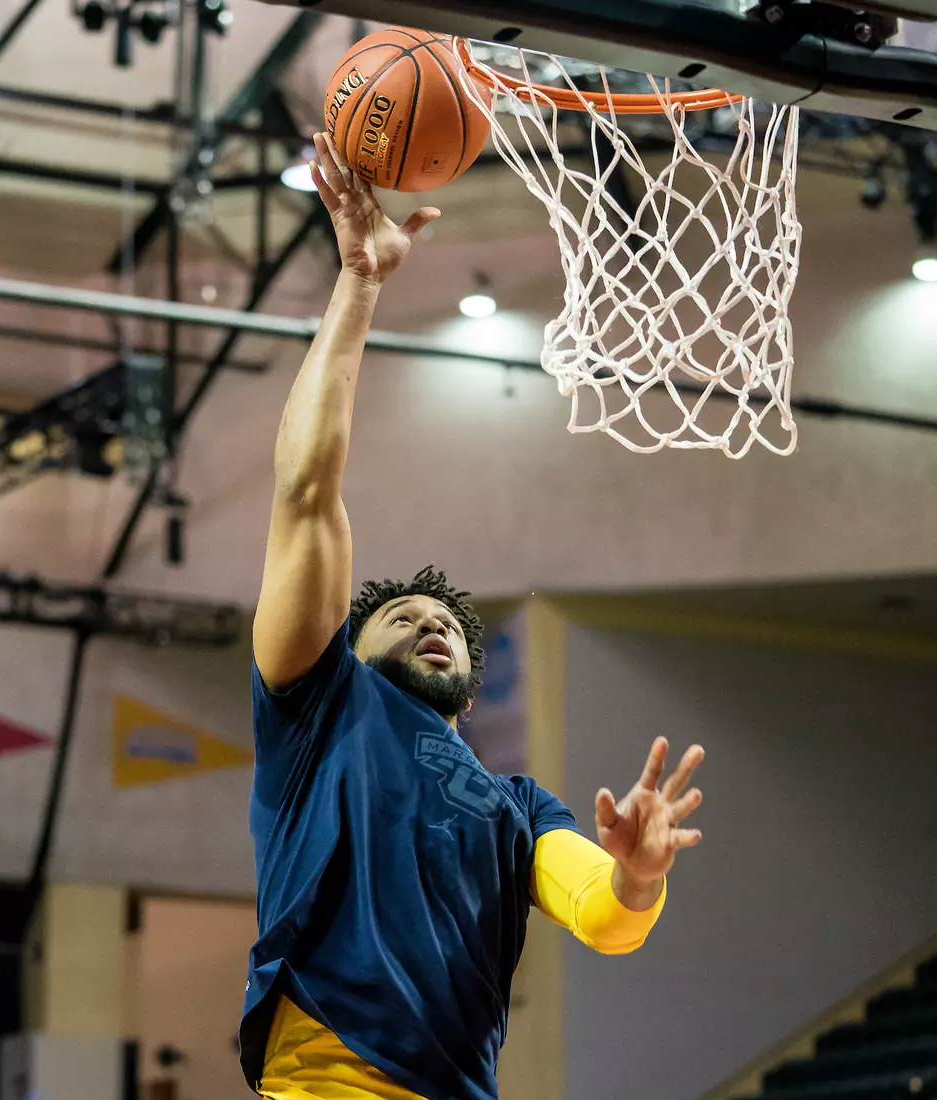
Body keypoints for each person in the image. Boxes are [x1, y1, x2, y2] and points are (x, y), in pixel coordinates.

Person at [239, 132, 707, 1100]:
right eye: (401, 614)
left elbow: (602, 916)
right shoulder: (321, 713)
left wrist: (639, 877)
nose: (429, 620)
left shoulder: (520, 808)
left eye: (443, 615)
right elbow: (306, 488)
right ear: (349, 649)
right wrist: (360, 285)